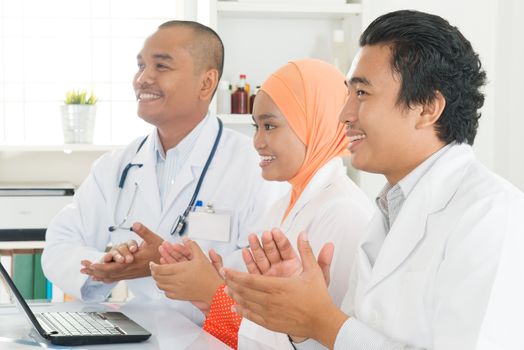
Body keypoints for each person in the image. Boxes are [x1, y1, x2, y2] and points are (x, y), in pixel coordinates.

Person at [222, 10, 524, 350]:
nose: (344, 115)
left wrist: (323, 320)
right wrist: (304, 326)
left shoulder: (492, 213)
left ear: (426, 108)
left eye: (362, 94)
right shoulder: (389, 209)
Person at [42, 20, 283, 322]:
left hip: (215, 336)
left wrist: (167, 262)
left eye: (161, 67)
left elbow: (262, 274)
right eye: (141, 65)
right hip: (136, 332)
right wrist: (106, 266)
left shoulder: (255, 165)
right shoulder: (117, 166)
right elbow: (60, 243)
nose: (143, 78)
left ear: (206, 83)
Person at [149, 59, 374, 349]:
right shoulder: (282, 207)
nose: (257, 141)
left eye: (270, 126)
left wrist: (213, 289)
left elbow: (326, 339)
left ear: (314, 125)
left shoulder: (344, 213)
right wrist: (215, 296)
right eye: (256, 126)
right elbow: (260, 331)